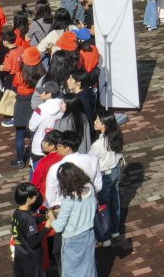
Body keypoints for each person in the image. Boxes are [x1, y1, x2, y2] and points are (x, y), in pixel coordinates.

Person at [52, 162, 97, 277]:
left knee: (71, 271)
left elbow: (58, 227)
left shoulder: (69, 199)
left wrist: (51, 215)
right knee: (88, 266)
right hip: (89, 233)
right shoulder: (90, 187)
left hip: (72, 238)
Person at [89, 112, 126, 245]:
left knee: (103, 207)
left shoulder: (98, 145)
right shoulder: (116, 136)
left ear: (104, 126)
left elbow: (90, 161)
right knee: (114, 200)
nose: (94, 122)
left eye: (97, 121)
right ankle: (115, 230)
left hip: (105, 175)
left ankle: (105, 237)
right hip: (116, 170)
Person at [9, 183, 50, 277]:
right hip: (31, 260)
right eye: (35, 195)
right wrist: (46, 227)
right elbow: (33, 242)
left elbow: (25, 225)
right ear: (28, 199)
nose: (37, 196)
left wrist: (44, 217)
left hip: (20, 256)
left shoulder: (17, 212)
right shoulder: (29, 218)